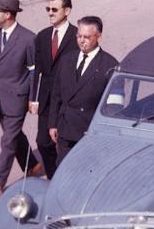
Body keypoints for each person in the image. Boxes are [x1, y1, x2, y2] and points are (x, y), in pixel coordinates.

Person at [0, 0, 41, 202]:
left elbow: (34, 71)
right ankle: (32, 165)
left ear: (9, 15)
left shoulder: (29, 39)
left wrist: (33, 98)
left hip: (17, 98)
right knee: (13, 136)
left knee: (7, 141)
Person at [49, 16, 119, 164]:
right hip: (65, 130)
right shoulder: (67, 59)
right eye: (79, 36)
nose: (81, 41)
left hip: (89, 133)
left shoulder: (110, 65)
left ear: (99, 36)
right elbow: (56, 95)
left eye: (86, 37)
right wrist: (53, 124)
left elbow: (114, 107)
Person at [30, 0, 76, 179]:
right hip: (47, 99)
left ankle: (68, 179)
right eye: (47, 9)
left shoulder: (76, 36)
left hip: (68, 99)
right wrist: (33, 98)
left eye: (54, 9)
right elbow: (37, 69)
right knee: (43, 143)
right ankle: (54, 177)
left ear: (67, 11)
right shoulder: (42, 36)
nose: (50, 13)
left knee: (66, 144)